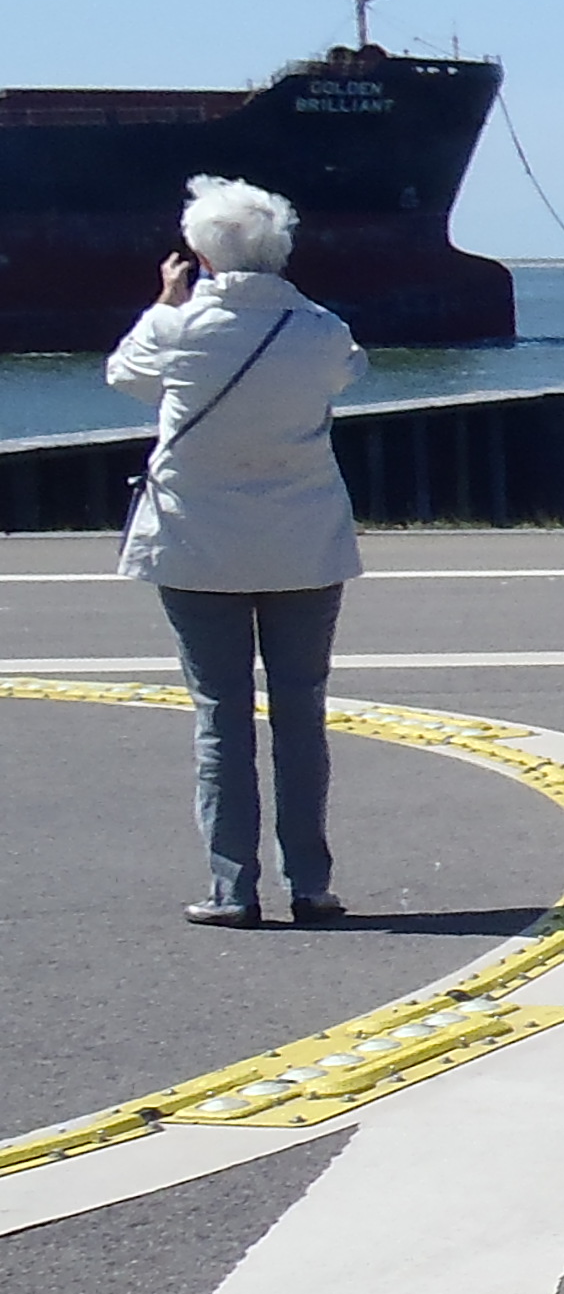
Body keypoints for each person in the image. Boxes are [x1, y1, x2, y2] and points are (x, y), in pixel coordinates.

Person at [106, 177, 368, 927]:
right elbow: (350, 375)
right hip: (305, 544)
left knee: (220, 715)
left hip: (196, 545)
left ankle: (232, 888)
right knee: (302, 712)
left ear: (200, 250)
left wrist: (165, 300)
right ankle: (311, 883)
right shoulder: (321, 329)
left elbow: (124, 376)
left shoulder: (177, 328)